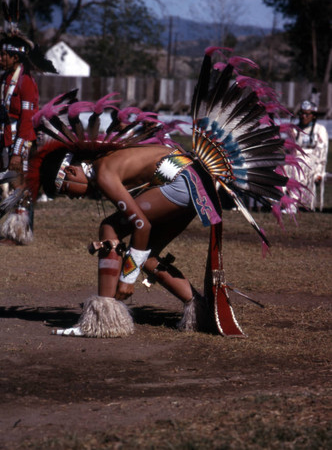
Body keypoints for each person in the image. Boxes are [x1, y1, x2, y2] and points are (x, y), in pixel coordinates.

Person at [24, 48, 301, 338]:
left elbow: (140, 224)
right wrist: (135, 265)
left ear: (70, 171)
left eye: (66, 190)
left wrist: (128, 279)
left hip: (184, 182)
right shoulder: (106, 165)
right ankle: (200, 312)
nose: (74, 197)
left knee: (110, 226)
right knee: (150, 257)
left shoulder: (104, 172)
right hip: (197, 187)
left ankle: (104, 318)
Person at [0, 0, 56, 244]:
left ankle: (20, 232)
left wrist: (17, 151)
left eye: (4, 54)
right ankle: (12, 229)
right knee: (9, 184)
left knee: (20, 185)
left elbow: (27, 118)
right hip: (5, 136)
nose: (0, 58)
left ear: (15, 57)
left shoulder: (26, 82)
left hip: (20, 140)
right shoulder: (5, 79)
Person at [287, 100, 329, 211]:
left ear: (313, 116)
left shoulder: (319, 130)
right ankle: (280, 201)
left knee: (299, 164)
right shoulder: (294, 130)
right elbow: (290, 150)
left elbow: (322, 153)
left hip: (312, 163)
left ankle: (292, 204)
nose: (303, 116)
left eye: (307, 114)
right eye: (301, 113)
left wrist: (319, 172)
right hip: (297, 160)